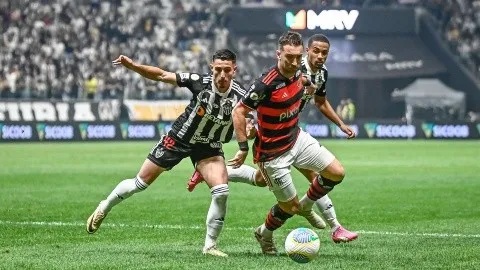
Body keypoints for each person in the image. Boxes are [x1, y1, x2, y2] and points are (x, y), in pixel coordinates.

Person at [186, 34, 358, 244]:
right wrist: (244, 142)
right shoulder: (273, 79)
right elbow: (242, 110)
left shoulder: (314, 74)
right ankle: (325, 222)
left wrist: (339, 122)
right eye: (316, 51)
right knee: (301, 190)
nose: (319, 56)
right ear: (307, 51)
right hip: (272, 142)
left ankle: (322, 219)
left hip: (294, 133)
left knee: (272, 179)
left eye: (324, 53)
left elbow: (318, 98)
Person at [86, 49, 247, 257]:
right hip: (179, 139)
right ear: (211, 68)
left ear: (235, 70)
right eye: (218, 70)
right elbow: (162, 75)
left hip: (209, 146)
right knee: (140, 183)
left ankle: (210, 247)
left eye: (227, 70)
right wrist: (133, 66)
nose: (222, 75)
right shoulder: (199, 82)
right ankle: (104, 206)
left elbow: (258, 113)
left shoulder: (242, 96)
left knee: (221, 191)